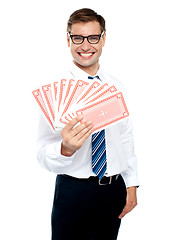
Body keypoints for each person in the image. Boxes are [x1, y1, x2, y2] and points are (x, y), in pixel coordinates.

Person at [36, 8, 139, 240]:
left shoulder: (116, 86)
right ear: (68, 38)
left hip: (114, 188)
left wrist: (131, 182)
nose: (85, 46)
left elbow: (125, 137)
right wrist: (65, 149)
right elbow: (41, 152)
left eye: (93, 38)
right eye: (78, 38)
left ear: (103, 39)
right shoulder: (55, 90)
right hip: (74, 191)